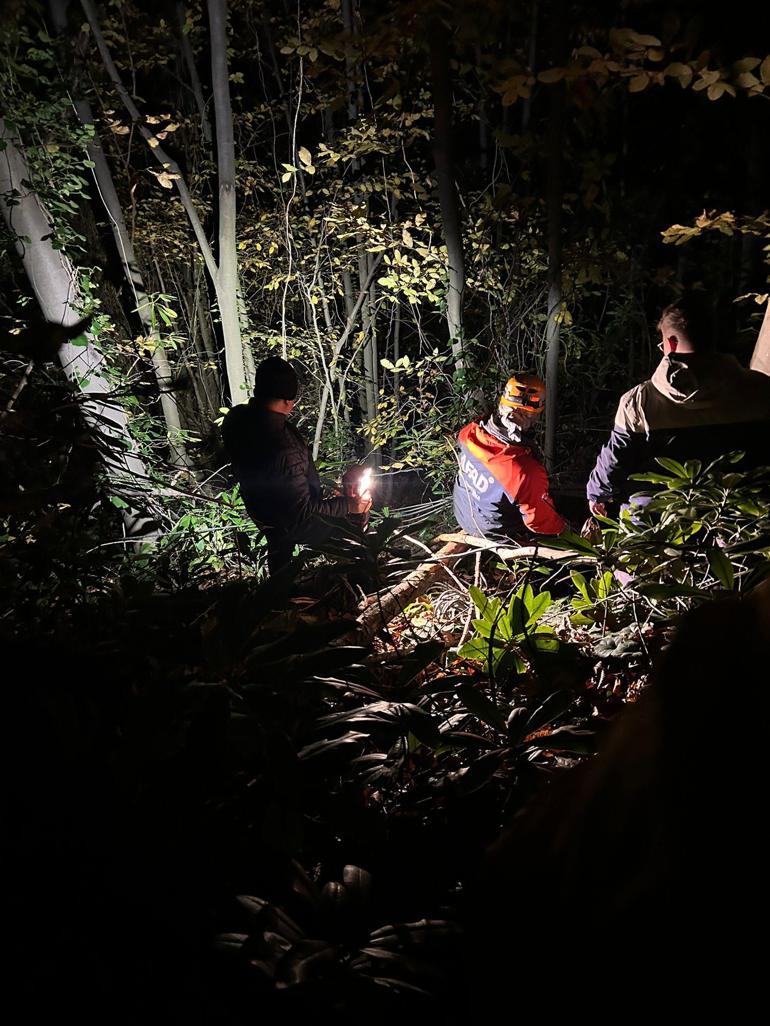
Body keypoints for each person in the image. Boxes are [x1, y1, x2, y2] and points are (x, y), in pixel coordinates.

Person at [587, 297, 770, 517]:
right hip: (738, 517)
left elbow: (616, 459)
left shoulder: (639, 401)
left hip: (658, 522)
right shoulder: (760, 389)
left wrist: (597, 493)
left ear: (671, 343)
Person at [221, 356, 371, 574]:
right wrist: (349, 506)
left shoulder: (236, 420)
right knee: (351, 527)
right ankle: (360, 576)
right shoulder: (285, 447)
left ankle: (280, 583)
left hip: (259, 509)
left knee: (279, 541)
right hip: (291, 521)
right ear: (286, 401)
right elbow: (303, 512)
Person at [453, 373, 566, 540]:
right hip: (492, 532)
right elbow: (539, 522)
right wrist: (565, 530)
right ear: (535, 414)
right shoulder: (524, 472)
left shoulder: (469, 433)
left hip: (462, 514)